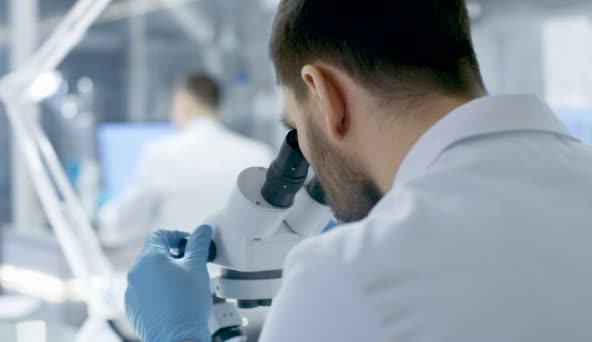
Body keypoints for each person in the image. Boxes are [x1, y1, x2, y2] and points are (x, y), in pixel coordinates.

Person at [123, 1, 592, 342]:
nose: (304, 156)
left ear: (324, 93)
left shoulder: (349, 276)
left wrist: (176, 336)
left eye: (295, 128)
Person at [97, 73, 273, 248]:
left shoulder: (161, 153)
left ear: (183, 103)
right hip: (241, 273)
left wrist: (100, 218)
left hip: (177, 271)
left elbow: (122, 222)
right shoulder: (259, 154)